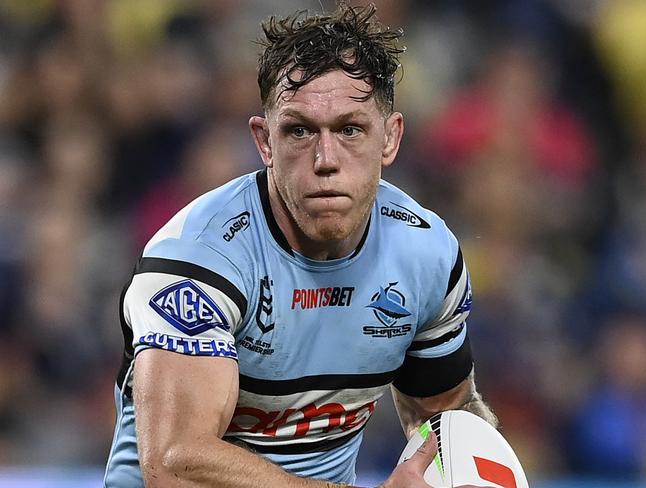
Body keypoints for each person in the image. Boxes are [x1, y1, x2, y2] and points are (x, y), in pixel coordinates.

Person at [104, 4, 497, 487]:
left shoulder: (426, 255)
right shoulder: (198, 263)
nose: (326, 159)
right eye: (300, 130)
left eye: (350, 129)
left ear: (390, 138)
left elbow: (447, 422)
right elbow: (175, 468)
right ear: (264, 140)